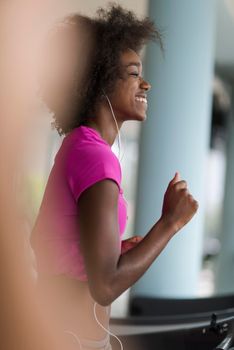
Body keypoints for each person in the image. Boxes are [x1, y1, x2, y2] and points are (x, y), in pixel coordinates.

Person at [30, 4, 199, 350]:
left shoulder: (78, 145)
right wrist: (170, 223)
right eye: (135, 73)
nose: (147, 84)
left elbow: (54, 245)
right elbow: (104, 286)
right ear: (102, 79)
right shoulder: (96, 157)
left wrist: (115, 249)